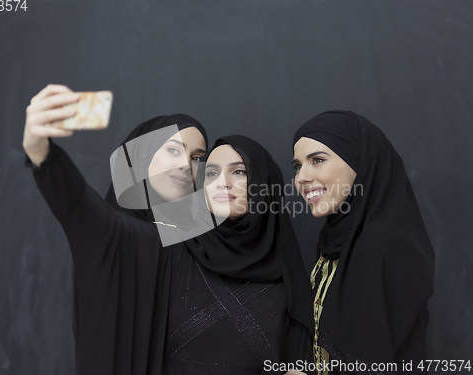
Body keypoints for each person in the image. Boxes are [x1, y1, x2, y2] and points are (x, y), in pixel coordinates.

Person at [23, 84, 313, 375]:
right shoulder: (165, 243)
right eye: (212, 171)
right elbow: (89, 217)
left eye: (199, 158)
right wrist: (42, 153)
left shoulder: (286, 274)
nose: (188, 165)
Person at [287, 110, 435, 375]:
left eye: (317, 160)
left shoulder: (387, 249)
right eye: (298, 166)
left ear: (360, 162)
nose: (301, 178)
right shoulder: (337, 240)